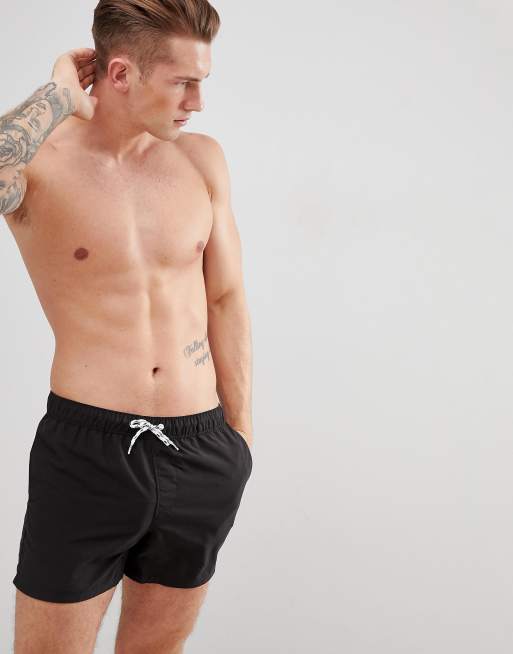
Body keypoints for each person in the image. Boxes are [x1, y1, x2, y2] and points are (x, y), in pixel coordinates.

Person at [0, 0, 254, 651]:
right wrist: (58, 96)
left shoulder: (201, 160)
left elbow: (226, 297)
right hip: (89, 451)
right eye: (182, 82)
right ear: (119, 74)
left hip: (202, 449)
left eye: (201, 81)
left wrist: (239, 441)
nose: (197, 101)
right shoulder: (39, 165)